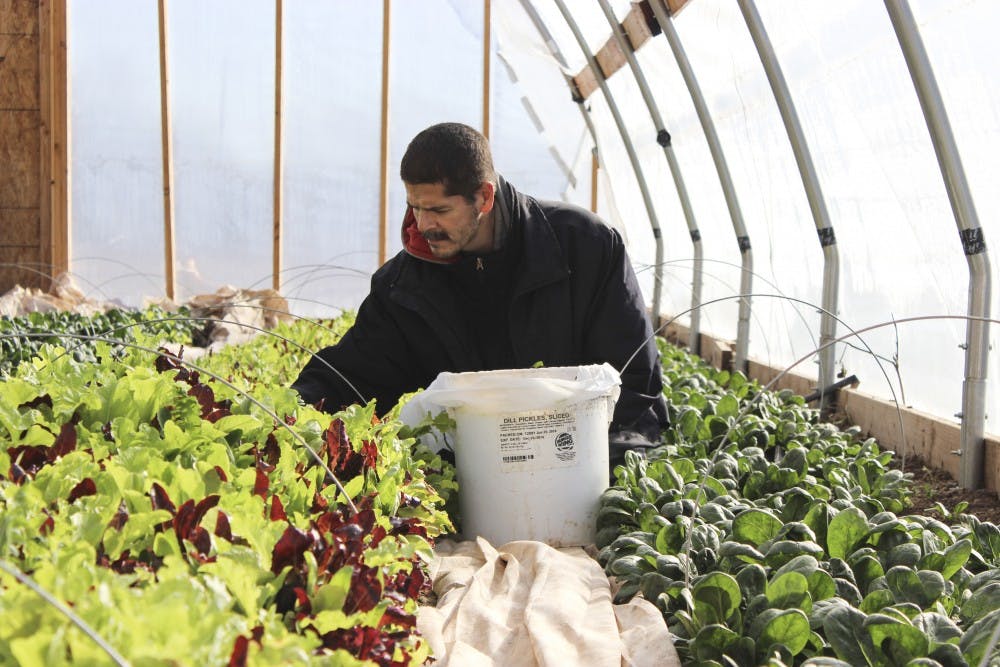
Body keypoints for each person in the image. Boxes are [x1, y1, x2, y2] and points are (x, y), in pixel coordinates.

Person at [292, 122, 668, 463]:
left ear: (484, 198)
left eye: (439, 210)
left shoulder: (584, 246)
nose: (423, 226)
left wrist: (564, 458)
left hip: (579, 454)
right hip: (476, 462)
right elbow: (355, 372)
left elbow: (633, 379)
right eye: (415, 208)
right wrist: (292, 412)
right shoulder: (406, 284)